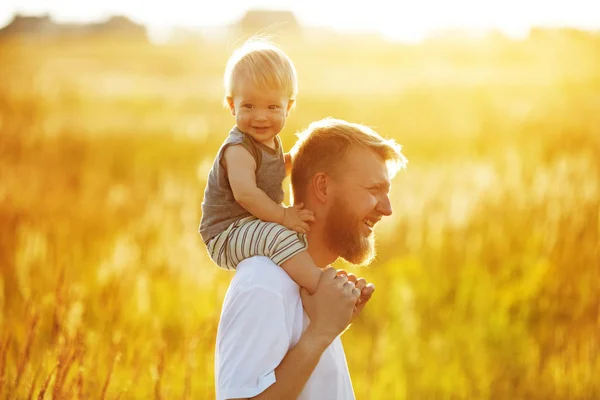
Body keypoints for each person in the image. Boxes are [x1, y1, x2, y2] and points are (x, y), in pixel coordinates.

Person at [215, 118, 408, 399]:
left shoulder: (315, 287)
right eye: (373, 190)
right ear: (323, 187)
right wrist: (321, 333)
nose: (387, 209)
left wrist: (331, 323)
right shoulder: (263, 284)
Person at [199, 38, 321, 293]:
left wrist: (300, 157)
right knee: (277, 235)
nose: (261, 116)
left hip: (251, 226)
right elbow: (246, 193)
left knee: (298, 232)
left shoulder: (270, 142)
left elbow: (274, 171)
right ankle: (319, 288)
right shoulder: (239, 149)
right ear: (232, 105)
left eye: (273, 106)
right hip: (226, 234)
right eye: (249, 106)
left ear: (289, 107)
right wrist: (283, 215)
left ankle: (303, 286)